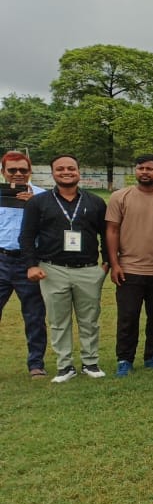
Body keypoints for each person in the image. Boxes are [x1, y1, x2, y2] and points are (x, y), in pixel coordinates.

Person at [20, 154, 109, 382]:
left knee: (90, 319)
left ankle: (90, 362)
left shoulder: (95, 202)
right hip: (52, 269)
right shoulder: (38, 203)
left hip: (88, 269)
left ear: (79, 171)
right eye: (60, 169)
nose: (66, 172)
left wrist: (107, 262)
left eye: (71, 168)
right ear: (53, 173)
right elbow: (27, 236)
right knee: (58, 321)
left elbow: (106, 235)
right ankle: (65, 366)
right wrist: (31, 265)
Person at [106, 154, 153, 376]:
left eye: (150, 169)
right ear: (135, 171)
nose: (145, 172)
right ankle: (124, 359)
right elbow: (112, 231)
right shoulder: (120, 197)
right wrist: (115, 263)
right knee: (128, 316)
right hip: (129, 269)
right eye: (140, 168)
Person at [0, 151, 47, 377]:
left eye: (23, 170)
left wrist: (35, 206)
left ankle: (36, 363)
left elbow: (52, 230)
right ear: (3, 172)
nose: (18, 174)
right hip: (1, 259)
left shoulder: (42, 197)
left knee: (34, 315)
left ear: (30, 172)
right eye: (12, 170)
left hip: (28, 262)